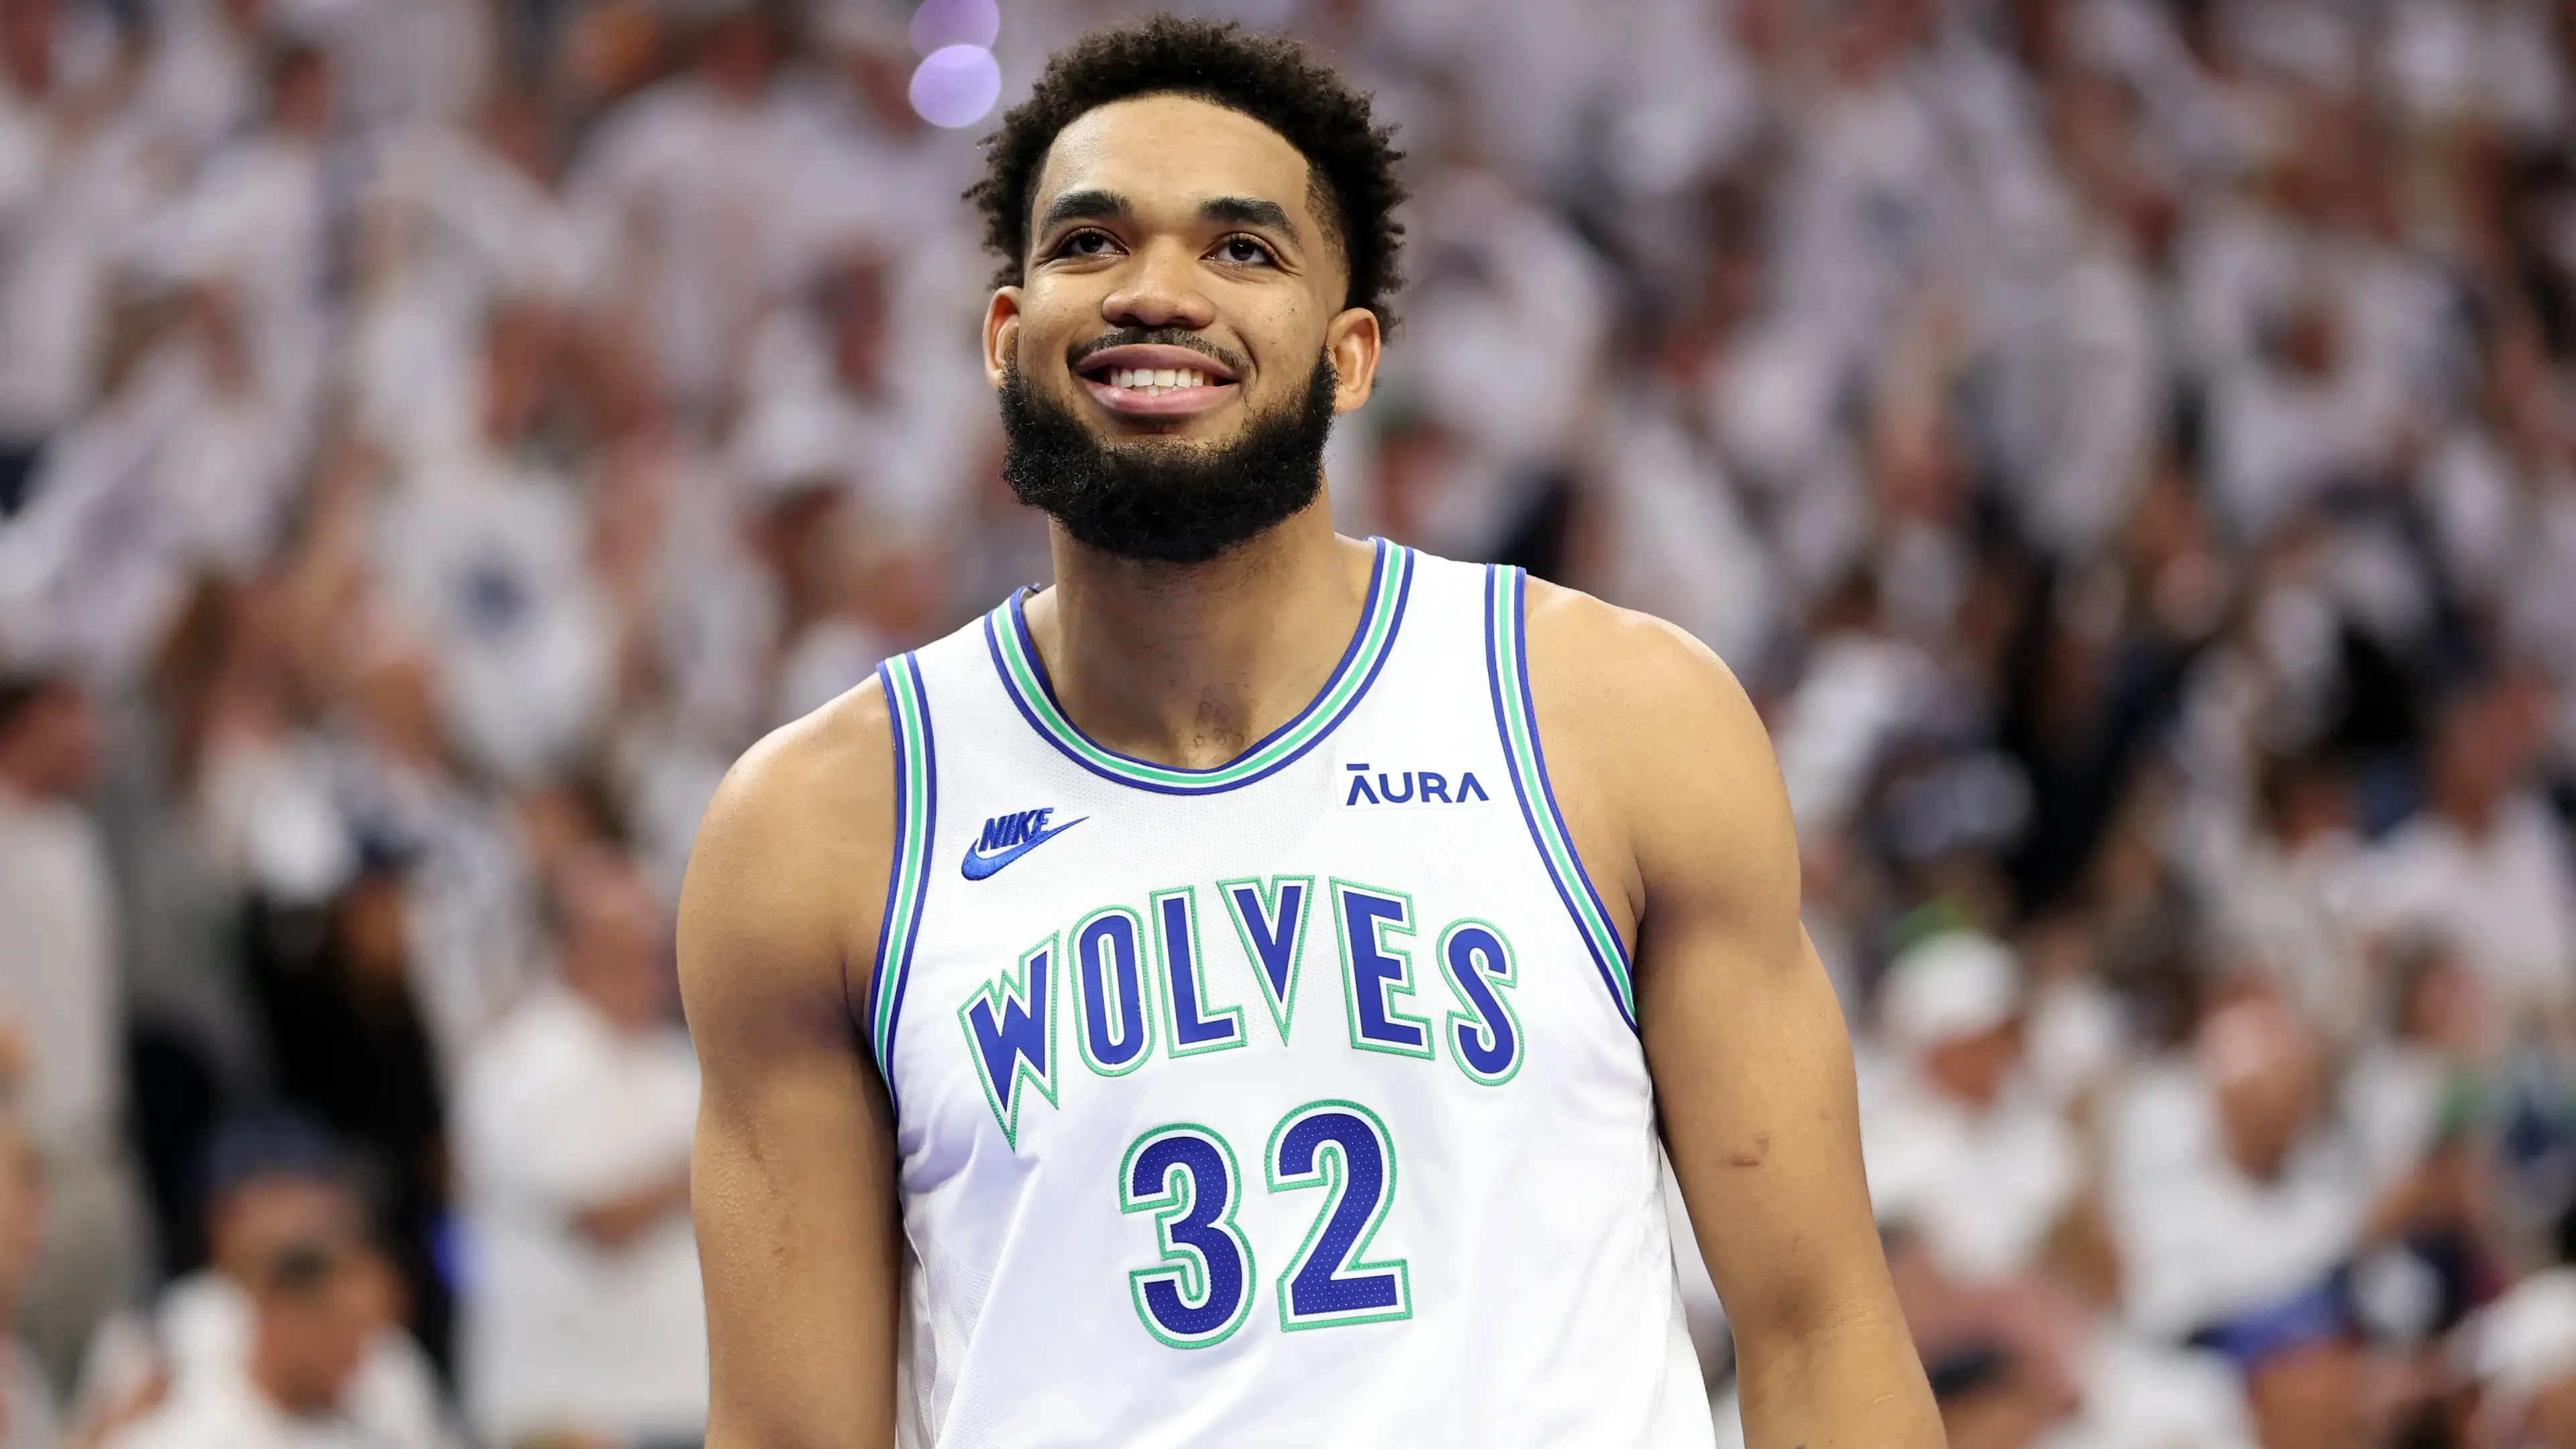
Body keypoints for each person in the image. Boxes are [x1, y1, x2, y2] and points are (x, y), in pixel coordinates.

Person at [679, 17, 1936, 1448]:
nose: (1157, 292)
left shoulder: (1613, 718)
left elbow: (1820, 1326)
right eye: (1091, 243)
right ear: (1005, 338)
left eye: (1242, 251)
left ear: (1350, 361)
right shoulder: (819, 827)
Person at [455, 849, 704, 1448]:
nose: (643, 967)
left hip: (684, 1396)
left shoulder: (675, 1059)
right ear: (567, 948)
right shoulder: (531, 1055)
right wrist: (720, 1157)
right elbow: (603, 1219)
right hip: (573, 1411)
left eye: (651, 945)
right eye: (618, 947)